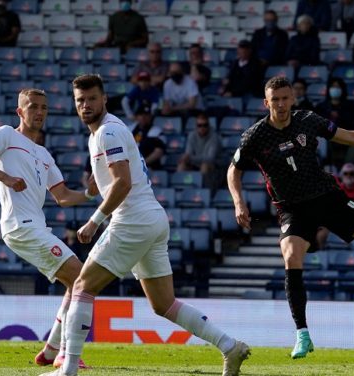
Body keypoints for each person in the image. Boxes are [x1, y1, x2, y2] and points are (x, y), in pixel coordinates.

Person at [39, 75, 250, 376]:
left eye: (91, 99)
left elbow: (123, 183)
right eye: (80, 101)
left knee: (83, 286)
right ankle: (230, 346)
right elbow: (121, 179)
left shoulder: (107, 132)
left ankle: (68, 368)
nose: (85, 105)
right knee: (163, 303)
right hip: (151, 218)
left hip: (132, 220)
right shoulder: (106, 131)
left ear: (104, 99)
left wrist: (94, 221)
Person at [227, 76, 354, 359]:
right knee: (290, 255)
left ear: (292, 99)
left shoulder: (308, 120)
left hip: (328, 197)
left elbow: (350, 136)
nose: (281, 104)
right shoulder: (254, 136)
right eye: (275, 100)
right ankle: (303, 335)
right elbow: (233, 170)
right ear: (267, 103)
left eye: (286, 98)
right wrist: (239, 202)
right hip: (292, 207)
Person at [0, 88, 92, 370]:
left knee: (78, 281)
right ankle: (63, 353)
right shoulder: (6, 134)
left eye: (44, 107)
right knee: (82, 277)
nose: (39, 112)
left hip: (36, 227)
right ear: (20, 111)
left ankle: (51, 350)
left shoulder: (44, 154)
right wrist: (5, 177)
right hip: (20, 226)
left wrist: (92, 193)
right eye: (33, 106)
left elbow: (64, 197)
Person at [177, 112, 221, 178]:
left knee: (205, 166)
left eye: (205, 125)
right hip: (195, 163)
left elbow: (210, 158)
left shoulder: (214, 137)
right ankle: (180, 186)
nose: (202, 128)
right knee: (182, 165)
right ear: (196, 126)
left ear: (208, 125)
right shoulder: (192, 135)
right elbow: (188, 153)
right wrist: (186, 158)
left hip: (213, 165)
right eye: (199, 125)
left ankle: (202, 187)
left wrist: (190, 158)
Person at [129, 103, 165, 171]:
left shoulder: (157, 132)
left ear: (150, 117)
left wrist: (143, 163)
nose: (143, 117)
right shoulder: (129, 130)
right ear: (136, 116)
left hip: (150, 168)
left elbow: (159, 152)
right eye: (141, 115)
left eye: (146, 115)